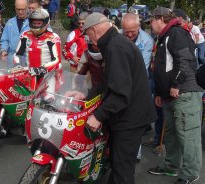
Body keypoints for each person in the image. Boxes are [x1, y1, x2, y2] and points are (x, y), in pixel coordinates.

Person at [68, 12, 156, 184]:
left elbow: (120, 93)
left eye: (87, 34)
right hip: (129, 115)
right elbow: (108, 82)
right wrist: (85, 95)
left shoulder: (116, 47)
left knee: (122, 168)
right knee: (117, 163)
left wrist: (99, 115)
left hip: (130, 118)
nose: (87, 39)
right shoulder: (115, 43)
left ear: (93, 30)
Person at [148, 7, 203, 184]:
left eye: (151, 21)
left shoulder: (176, 33)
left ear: (160, 19)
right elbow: (162, 67)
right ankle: (171, 166)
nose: (150, 25)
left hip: (184, 93)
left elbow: (185, 60)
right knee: (171, 133)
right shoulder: (164, 36)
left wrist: (175, 85)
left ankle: (191, 173)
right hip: (170, 95)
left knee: (188, 136)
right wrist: (159, 92)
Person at [121, 12, 154, 161]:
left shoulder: (146, 40)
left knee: (135, 120)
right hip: (121, 81)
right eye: (125, 31)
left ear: (139, 27)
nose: (128, 35)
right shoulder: (118, 36)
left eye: (132, 32)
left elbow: (142, 66)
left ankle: (136, 154)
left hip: (138, 84)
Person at [14, 8, 61, 96]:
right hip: (30, 74)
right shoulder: (25, 34)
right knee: (24, 98)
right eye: (34, 23)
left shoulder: (53, 37)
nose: (35, 25)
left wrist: (42, 69)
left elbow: (57, 60)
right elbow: (17, 54)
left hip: (47, 75)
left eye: (39, 23)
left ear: (46, 23)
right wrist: (17, 65)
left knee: (48, 100)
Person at [0, 0, 29, 68]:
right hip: (11, 59)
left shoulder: (33, 23)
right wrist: (4, 50)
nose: (20, 12)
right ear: (15, 8)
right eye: (18, 9)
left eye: (23, 9)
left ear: (27, 8)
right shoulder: (10, 23)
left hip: (27, 59)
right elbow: (4, 40)